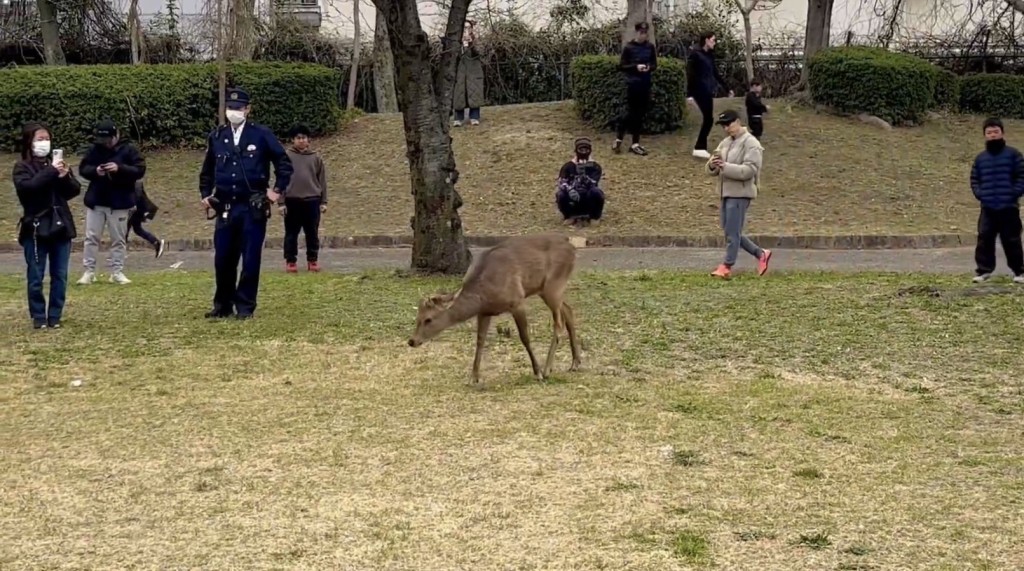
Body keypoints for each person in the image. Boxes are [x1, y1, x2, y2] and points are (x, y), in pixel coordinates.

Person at [199, 87, 293, 319]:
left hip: (251, 206)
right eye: (230, 108)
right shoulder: (218, 136)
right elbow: (207, 169)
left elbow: (284, 163)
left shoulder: (261, 135)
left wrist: (277, 191)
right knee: (223, 259)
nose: (234, 112)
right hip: (225, 206)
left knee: (250, 259)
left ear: (248, 109)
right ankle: (222, 305)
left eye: (238, 108)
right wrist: (204, 194)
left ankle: (245, 306)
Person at [13, 122, 81, 329]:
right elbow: (29, 189)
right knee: (36, 274)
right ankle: (38, 316)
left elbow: (73, 191)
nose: (44, 143)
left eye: (47, 139)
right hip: (35, 227)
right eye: (39, 139)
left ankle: (55, 315)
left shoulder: (54, 164)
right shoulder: (22, 168)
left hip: (60, 225)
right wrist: (51, 172)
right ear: (29, 142)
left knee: (60, 274)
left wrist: (65, 176)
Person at [77, 119, 147, 285]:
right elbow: (83, 169)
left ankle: (117, 271)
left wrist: (119, 168)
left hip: (120, 202)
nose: (106, 144)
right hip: (97, 200)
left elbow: (139, 170)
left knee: (118, 238)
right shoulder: (94, 150)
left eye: (109, 140)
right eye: (103, 141)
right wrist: (96, 171)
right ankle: (89, 271)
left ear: (117, 135)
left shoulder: (129, 150)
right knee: (91, 237)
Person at [705, 110, 771, 279]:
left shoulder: (751, 143)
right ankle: (760, 253)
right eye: (724, 126)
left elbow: (749, 171)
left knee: (732, 233)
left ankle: (727, 265)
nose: (727, 128)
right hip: (725, 192)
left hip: (741, 193)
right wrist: (713, 164)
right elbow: (710, 168)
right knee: (730, 231)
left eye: (729, 124)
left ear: (738, 121)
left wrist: (725, 166)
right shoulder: (725, 143)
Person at [970, 117, 1024, 284]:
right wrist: (981, 194)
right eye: (989, 132)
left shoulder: (1014, 154)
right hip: (988, 207)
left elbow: (1022, 176)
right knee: (984, 238)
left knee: (1012, 240)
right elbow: (974, 179)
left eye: (995, 132)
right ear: (985, 135)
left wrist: (1014, 193)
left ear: (1002, 133)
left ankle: (1019, 272)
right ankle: (983, 271)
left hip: (1009, 206)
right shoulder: (980, 158)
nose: (992, 135)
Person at [279, 124, 328, 273]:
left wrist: (324, 201)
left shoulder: (316, 158)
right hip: (292, 201)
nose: (301, 141)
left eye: (304, 138)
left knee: (312, 233)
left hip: (312, 200)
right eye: (298, 138)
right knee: (291, 234)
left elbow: (322, 180)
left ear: (308, 140)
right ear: (293, 140)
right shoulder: (286, 157)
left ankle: (312, 260)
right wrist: (281, 202)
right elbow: (281, 179)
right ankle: (290, 261)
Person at [613, 21, 657, 156]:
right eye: (641, 33)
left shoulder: (650, 47)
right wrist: (635, 67)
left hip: (645, 83)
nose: (643, 35)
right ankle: (619, 138)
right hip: (633, 84)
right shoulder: (629, 47)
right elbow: (621, 66)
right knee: (630, 113)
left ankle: (635, 143)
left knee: (640, 114)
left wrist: (649, 67)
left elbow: (655, 64)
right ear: (636, 32)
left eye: (645, 33)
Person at [687, 32, 733, 159]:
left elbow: (715, 73)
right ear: (706, 40)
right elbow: (690, 74)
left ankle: (701, 146)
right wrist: (689, 94)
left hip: (707, 89)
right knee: (708, 118)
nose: (715, 42)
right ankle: (699, 147)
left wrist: (727, 88)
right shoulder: (695, 54)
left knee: (709, 118)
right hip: (698, 90)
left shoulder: (709, 55)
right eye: (713, 40)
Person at [555, 137, 606, 226]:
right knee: (560, 194)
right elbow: (561, 182)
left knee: (596, 192)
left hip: (588, 197)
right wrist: (570, 190)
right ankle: (569, 216)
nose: (583, 152)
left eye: (586, 149)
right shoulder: (568, 166)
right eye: (581, 149)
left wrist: (584, 177)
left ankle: (594, 216)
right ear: (576, 150)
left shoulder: (595, 166)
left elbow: (594, 183)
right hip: (573, 199)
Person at [453, 20, 485, 127]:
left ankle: (474, 117)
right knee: (459, 95)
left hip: (473, 73)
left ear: (471, 29)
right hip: (460, 73)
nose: (466, 30)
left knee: (474, 94)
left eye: (468, 27)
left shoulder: (477, 40)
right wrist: (460, 45)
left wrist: (471, 43)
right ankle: (458, 118)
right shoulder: (456, 41)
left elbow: (480, 53)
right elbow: (452, 57)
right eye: (464, 27)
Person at [127, 179, 166, 258]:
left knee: (124, 231)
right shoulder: (135, 181)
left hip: (134, 209)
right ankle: (156, 242)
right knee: (136, 229)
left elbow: (138, 196)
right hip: (135, 209)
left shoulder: (134, 181)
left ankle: (117, 253)